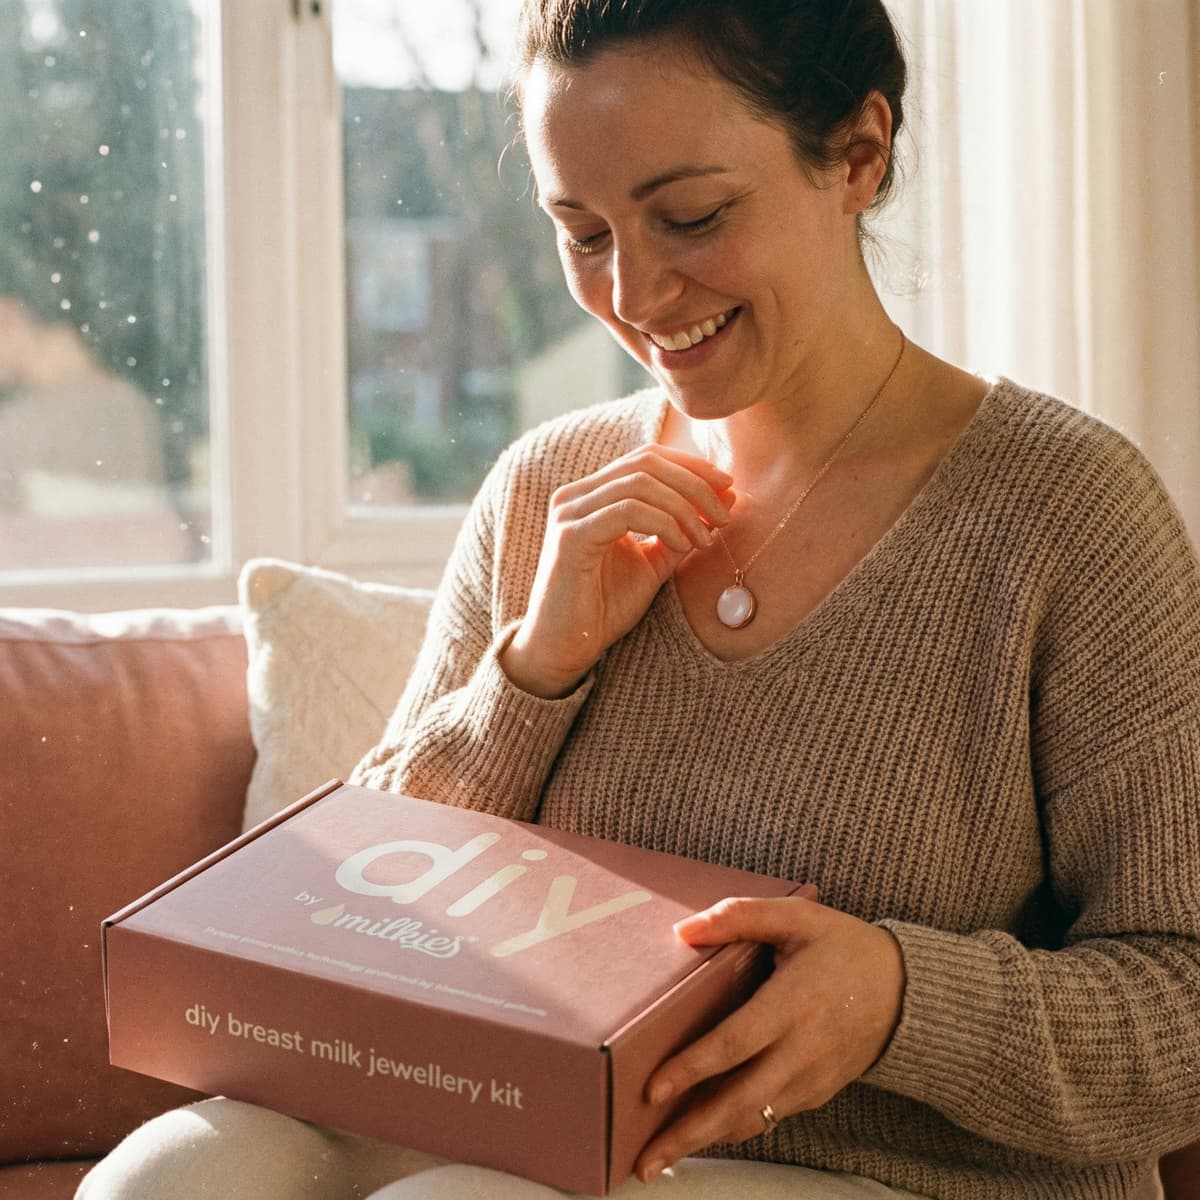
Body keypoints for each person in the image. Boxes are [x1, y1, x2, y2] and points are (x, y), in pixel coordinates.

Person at [78, 1, 1200, 1197]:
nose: (639, 291)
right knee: (172, 1177)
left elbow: (1180, 999)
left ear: (858, 157)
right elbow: (351, 911)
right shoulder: (547, 487)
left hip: (894, 1172)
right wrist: (534, 671)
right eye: (582, 232)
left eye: (692, 216)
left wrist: (901, 999)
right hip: (521, 1132)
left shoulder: (1066, 510)